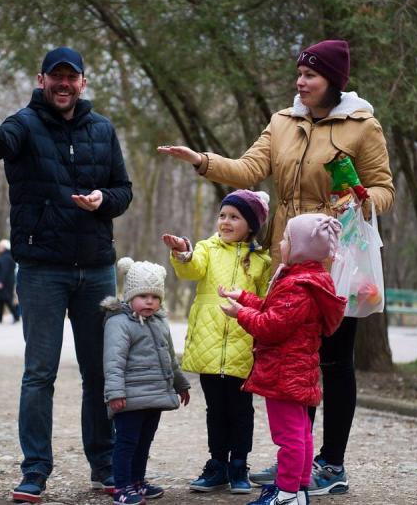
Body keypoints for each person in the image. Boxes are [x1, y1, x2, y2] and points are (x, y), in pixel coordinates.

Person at [158, 39, 395, 495]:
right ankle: (298, 459)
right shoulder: (282, 122)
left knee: (334, 360)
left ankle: (332, 464)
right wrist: (202, 161)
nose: (300, 82)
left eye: (310, 75)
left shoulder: (363, 126)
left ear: (333, 81)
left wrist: (362, 200)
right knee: (295, 360)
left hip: (335, 260)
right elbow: (249, 169)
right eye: (299, 74)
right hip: (287, 258)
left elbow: (384, 189)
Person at [0, 46, 133, 503]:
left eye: (72, 77)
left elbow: (123, 190)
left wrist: (103, 200)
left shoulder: (102, 129)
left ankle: (105, 466)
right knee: (39, 374)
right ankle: (34, 471)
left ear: (83, 83)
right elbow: (1, 143)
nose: (64, 84)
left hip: (96, 268)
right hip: (41, 270)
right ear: (42, 79)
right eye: (57, 76)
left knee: (100, 373)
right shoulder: (25, 123)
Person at [219, 214, 347, 505]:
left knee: (289, 437)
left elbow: (271, 326)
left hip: (283, 372)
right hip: (297, 370)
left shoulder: (296, 285)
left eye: (287, 239)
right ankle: (298, 491)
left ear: (302, 248)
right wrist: (245, 297)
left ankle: (286, 493)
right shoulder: (309, 280)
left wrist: (240, 314)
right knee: (301, 433)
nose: (281, 243)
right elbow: (276, 310)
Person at [162, 189, 272, 494]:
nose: (225, 221)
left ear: (251, 225)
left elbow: (265, 301)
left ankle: (239, 464)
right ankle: (217, 464)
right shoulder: (207, 248)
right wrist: (182, 252)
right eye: (222, 215)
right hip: (209, 345)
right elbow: (191, 268)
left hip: (243, 346)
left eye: (234, 217)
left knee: (241, 409)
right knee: (215, 409)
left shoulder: (261, 259)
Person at [101, 257, 191, 505]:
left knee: (143, 442)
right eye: (143, 296)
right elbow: (113, 361)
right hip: (129, 398)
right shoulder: (119, 323)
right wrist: (115, 393)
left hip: (155, 396)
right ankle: (121, 487)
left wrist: (181, 384)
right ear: (130, 296)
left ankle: (137, 481)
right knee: (127, 443)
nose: (149, 301)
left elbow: (169, 358)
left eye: (154, 296)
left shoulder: (159, 322)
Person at [0, 239, 20, 323]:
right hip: (6, 282)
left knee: (7, 300)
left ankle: (16, 316)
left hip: (5, 283)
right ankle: (0, 318)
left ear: (4, 247)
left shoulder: (6, 257)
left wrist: (1, 282)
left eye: (0, 246)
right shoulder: (6, 256)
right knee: (1, 300)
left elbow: (5, 271)